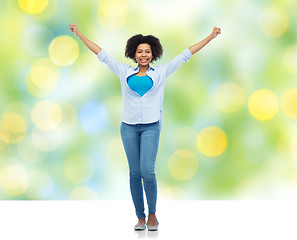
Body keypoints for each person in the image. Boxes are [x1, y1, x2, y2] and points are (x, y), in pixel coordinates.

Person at [69, 23, 221, 231]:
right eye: (140, 51)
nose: (143, 55)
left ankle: (152, 215)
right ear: (133, 53)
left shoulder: (160, 73)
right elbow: (101, 54)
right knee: (134, 173)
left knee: (147, 172)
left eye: (147, 51)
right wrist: (79, 34)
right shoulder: (123, 71)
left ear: (153, 54)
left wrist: (210, 37)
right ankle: (140, 217)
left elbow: (186, 54)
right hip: (128, 128)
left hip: (151, 127)